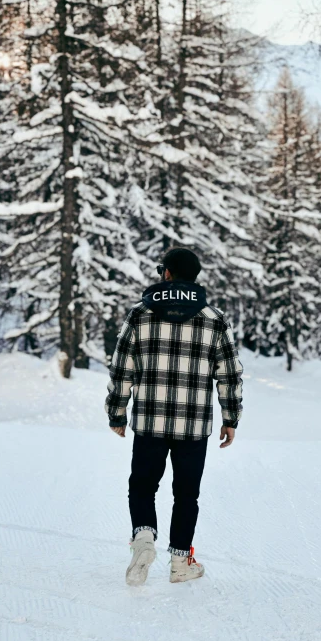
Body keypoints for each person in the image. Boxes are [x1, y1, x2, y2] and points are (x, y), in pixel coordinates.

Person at [105, 247, 243, 586]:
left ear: (167, 274)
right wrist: (231, 417)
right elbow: (229, 373)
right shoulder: (214, 319)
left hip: (150, 423)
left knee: (142, 486)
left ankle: (143, 541)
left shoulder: (140, 314)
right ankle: (181, 561)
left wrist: (117, 412)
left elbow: (122, 366)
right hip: (193, 425)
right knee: (186, 494)